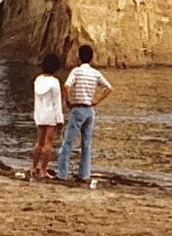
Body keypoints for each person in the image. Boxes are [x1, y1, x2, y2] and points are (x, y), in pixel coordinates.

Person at [55, 44, 113, 182]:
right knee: (86, 144)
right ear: (92, 58)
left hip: (78, 108)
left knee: (68, 142)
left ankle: (62, 174)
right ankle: (84, 174)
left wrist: (68, 101)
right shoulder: (95, 73)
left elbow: (66, 86)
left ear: (79, 57)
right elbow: (109, 88)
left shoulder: (76, 72)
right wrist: (96, 100)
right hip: (90, 110)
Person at [31, 54, 65, 180]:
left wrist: (36, 114)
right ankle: (43, 170)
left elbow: (36, 100)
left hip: (40, 114)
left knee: (38, 142)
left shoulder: (38, 80)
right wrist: (60, 120)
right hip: (51, 115)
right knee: (48, 144)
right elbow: (57, 103)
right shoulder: (54, 82)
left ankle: (33, 167)